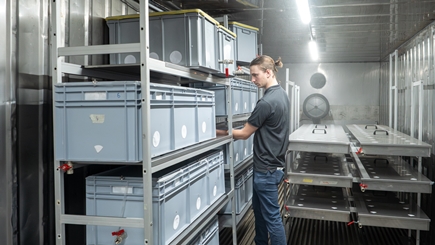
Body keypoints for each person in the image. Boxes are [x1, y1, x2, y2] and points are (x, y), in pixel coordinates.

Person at [217, 55, 289, 245]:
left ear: (268, 72)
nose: (253, 80)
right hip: (272, 167)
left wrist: (214, 131)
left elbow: (243, 134)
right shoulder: (282, 94)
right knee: (260, 214)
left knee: (272, 219)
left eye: (255, 75)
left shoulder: (266, 103)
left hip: (266, 170)